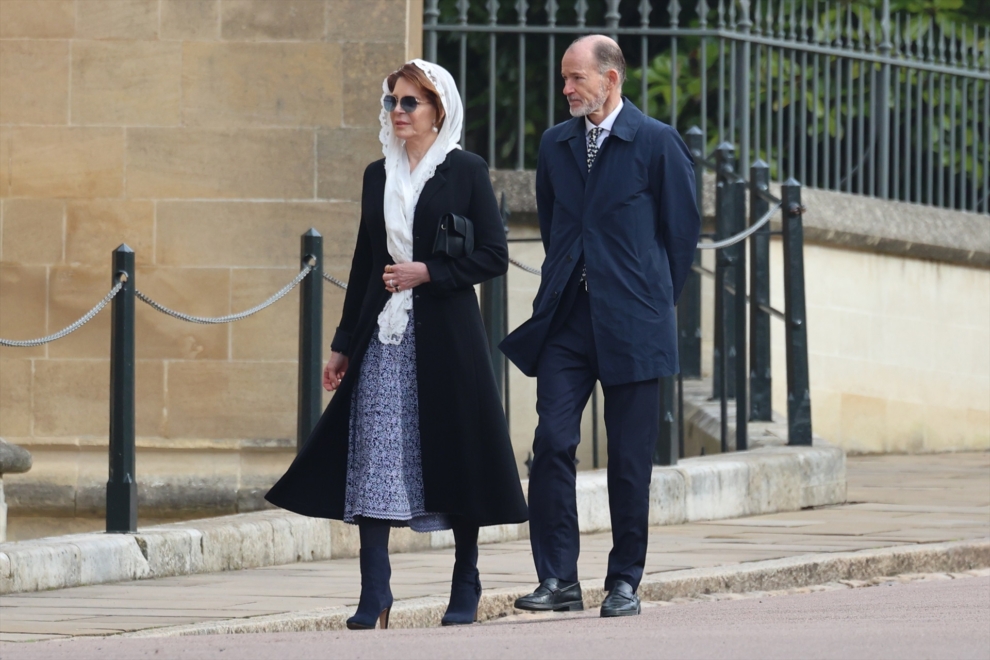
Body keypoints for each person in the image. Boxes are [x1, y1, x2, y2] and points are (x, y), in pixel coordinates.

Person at [266, 59, 528, 630]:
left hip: (447, 336)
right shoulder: (376, 175)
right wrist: (341, 344)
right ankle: (375, 593)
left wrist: (428, 272)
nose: (399, 112)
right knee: (374, 457)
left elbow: (494, 256)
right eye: (392, 102)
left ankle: (467, 581)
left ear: (438, 110)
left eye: (411, 102)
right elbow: (366, 262)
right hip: (384, 336)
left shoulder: (466, 170)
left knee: (454, 452)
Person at [500, 35, 701, 618]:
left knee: (630, 459)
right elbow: (554, 221)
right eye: (564, 79)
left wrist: (647, 298)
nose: (565, 89)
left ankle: (624, 582)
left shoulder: (658, 143)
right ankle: (559, 579)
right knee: (553, 442)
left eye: (575, 78)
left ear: (610, 80)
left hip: (634, 322)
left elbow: (680, 238)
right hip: (567, 320)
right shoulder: (556, 144)